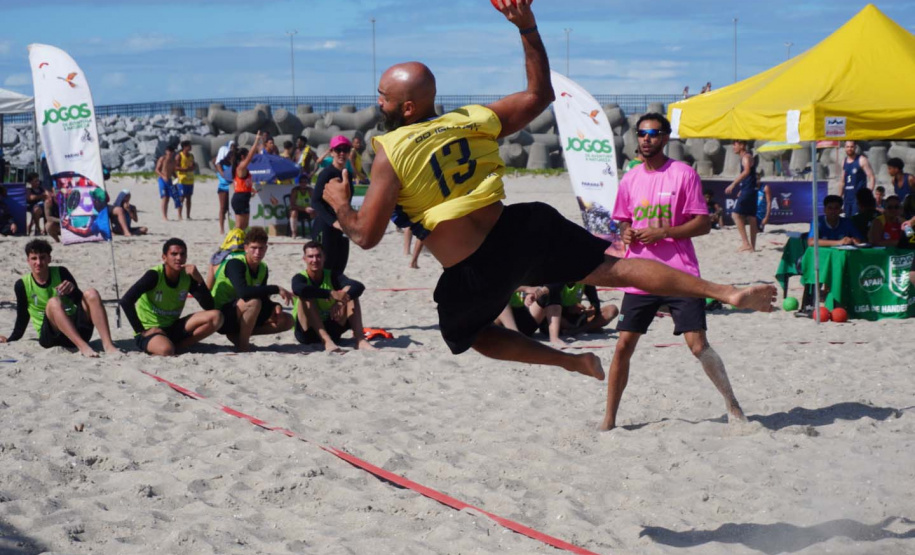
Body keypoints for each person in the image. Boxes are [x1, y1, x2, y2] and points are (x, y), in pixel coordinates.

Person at [320, 0, 775, 393]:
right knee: (614, 268)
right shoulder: (472, 118)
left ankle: (570, 361)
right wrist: (527, 28)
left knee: (476, 336)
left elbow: (364, 237)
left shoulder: (391, 150)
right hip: (520, 228)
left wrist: (340, 200)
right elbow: (540, 95)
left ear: (407, 108)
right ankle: (724, 291)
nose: (376, 103)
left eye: (383, 97)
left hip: (473, 268)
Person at [601, 113, 747, 431]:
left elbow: (703, 224)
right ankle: (609, 419)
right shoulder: (630, 179)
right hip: (639, 274)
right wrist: (626, 232)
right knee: (623, 345)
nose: (646, 139)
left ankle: (732, 405)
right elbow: (623, 219)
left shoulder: (683, 174)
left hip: (680, 274)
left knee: (697, 345)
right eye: (641, 133)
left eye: (653, 133)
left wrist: (664, 232)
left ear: (666, 137)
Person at [0, 239, 119, 357]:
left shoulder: (61, 272)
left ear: (49, 259)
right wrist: (11, 339)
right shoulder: (22, 285)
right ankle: (83, 347)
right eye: (34, 258)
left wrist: (73, 290)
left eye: (42, 257)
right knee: (53, 302)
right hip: (51, 336)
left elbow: (79, 302)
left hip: (77, 330)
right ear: (28, 261)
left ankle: (108, 345)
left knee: (92, 293)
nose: (38, 262)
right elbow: (22, 316)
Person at [120, 238, 224, 356]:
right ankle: (167, 346)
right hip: (152, 330)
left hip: (173, 327)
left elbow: (209, 306)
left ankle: (180, 347)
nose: (179, 258)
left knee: (217, 316)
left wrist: (200, 280)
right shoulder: (154, 275)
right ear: (164, 257)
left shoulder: (187, 276)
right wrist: (141, 331)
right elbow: (126, 301)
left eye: (182, 254)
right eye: (174, 254)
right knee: (166, 350)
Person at [210, 226, 294, 352]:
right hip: (221, 316)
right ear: (246, 248)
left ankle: (237, 335)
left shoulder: (262, 268)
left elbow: (263, 298)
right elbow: (243, 292)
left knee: (286, 320)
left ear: (266, 249)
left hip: (241, 311)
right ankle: (243, 345)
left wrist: (275, 306)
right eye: (253, 248)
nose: (257, 252)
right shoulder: (235, 263)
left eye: (261, 248)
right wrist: (276, 288)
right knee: (253, 302)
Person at [291, 241, 375, 352]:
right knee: (306, 295)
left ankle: (360, 340)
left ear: (324, 257)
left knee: (349, 292)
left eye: (318, 256)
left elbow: (359, 286)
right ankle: (326, 341)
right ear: (304, 259)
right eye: (310, 257)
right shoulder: (300, 277)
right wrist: (330, 293)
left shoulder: (331, 275)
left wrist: (341, 302)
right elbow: (298, 289)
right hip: (307, 332)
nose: (315, 260)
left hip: (332, 327)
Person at [312, 135, 354, 273]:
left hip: (342, 227)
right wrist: (333, 222)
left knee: (339, 269)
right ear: (332, 152)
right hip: (325, 225)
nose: (342, 153)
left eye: (346, 149)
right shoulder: (326, 173)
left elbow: (347, 202)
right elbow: (316, 201)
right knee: (324, 269)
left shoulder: (347, 174)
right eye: (338, 150)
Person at [495, 285, 566, 346]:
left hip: (524, 318)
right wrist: (526, 289)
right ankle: (516, 337)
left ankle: (554, 338)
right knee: (500, 298)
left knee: (549, 291)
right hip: (500, 323)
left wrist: (535, 293)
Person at [547, 282, 619, 337]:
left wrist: (594, 308)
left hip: (579, 317)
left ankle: (578, 330)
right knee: (551, 313)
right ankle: (582, 328)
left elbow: (595, 300)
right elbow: (548, 304)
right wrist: (569, 309)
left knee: (612, 309)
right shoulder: (558, 281)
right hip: (559, 317)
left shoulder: (585, 278)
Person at [725, 140, 758, 252]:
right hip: (750, 189)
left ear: (742, 145)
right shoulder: (747, 156)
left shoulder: (746, 157)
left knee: (735, 215)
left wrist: (734, 184)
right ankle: (752, 247)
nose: (733, 147)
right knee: (751, 218)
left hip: (749, 190)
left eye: (735, 144)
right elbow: (751, 175)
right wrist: (742, 188)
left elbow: (747, 171)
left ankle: (746, 243)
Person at [231, 133, 263, 231]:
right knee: (239, 225)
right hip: (240, 198)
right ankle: (234, 242)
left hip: (243, 197)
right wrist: (256, 140)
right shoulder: (240, 167)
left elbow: (237, 184)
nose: (249, 158)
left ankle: (242, 242)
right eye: (246, 156)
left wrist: (250, 190)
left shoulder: (241, 169)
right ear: (242, 157)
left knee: (245, 225)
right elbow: (250, 155)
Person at [840, 141, 875, 216]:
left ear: (855, 147)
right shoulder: (844, 161)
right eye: (848, 147)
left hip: (858, 199)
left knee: (857, 221)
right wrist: (839, 197)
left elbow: (871, 177)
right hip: (847, 198)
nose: (850, 149)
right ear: (845, 148)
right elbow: (842, 181)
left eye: (851, 147)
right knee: (847, 221)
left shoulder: (862, 160)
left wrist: (868, 193)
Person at [211, 140, 236, 234]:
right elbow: (224, 175)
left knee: (232, 209)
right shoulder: (219, 164)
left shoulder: (232, 163)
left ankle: (231, 227)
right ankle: (221, 229)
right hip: (223, 187)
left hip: (232, 187)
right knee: (223, 208)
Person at [156, 144, 181, 221]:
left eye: (171, 152)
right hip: (162, 180)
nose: (170, 153)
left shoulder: (173, 161)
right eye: (168, 151)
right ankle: (164, 216)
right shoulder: (162, 159)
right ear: (166, 152)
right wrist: (163, 176)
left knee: (170, 198)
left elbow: (172, 171)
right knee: (164, 197)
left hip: (170, 180)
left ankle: (176, 215)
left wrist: (176, 177)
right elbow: (157, 170)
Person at [175, 140, 196, 220]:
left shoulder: (191, 156)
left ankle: (188, 215)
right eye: (189, 146)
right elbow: (175, 167)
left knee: (189, 198)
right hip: (182, 180)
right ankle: (179, 215)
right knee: (181, 197)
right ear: (184, 147)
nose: (191, 147)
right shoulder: (179, 156)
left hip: (190, 179)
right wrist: (184, 169)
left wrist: (193, 167)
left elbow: (194, 165)